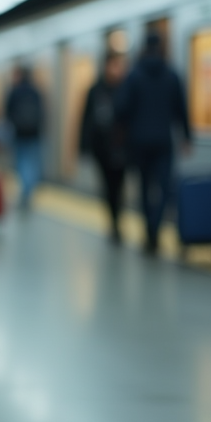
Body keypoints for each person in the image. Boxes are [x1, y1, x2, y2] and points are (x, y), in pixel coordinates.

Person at [114, 33, 191, 255]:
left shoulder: (134, 76)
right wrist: (186, 136)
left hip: (138, 142)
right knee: (165, 188)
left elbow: (121, 108)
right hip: (164, 141)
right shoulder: (172, 74)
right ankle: (156, 227)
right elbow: (181, 108)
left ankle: (149, 231)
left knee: (145, 188)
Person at [80, 51, 128, 244]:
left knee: (119, 186)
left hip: (121, 147)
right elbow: (86, 120)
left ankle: (117, 220)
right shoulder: (95, 90)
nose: (116, 70)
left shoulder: (125, 89)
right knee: (108, 186)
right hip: (102, 148)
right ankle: (113, 221)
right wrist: (84, 146)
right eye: (113, 65)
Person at [4, 65, 44, 209]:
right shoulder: (36, 92)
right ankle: (29, 190)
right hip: (34, 133)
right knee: (33, 163)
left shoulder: (15, 92)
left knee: (21, 162)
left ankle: (25, 190)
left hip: (19, 133)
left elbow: (7, 112)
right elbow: (42, 113)